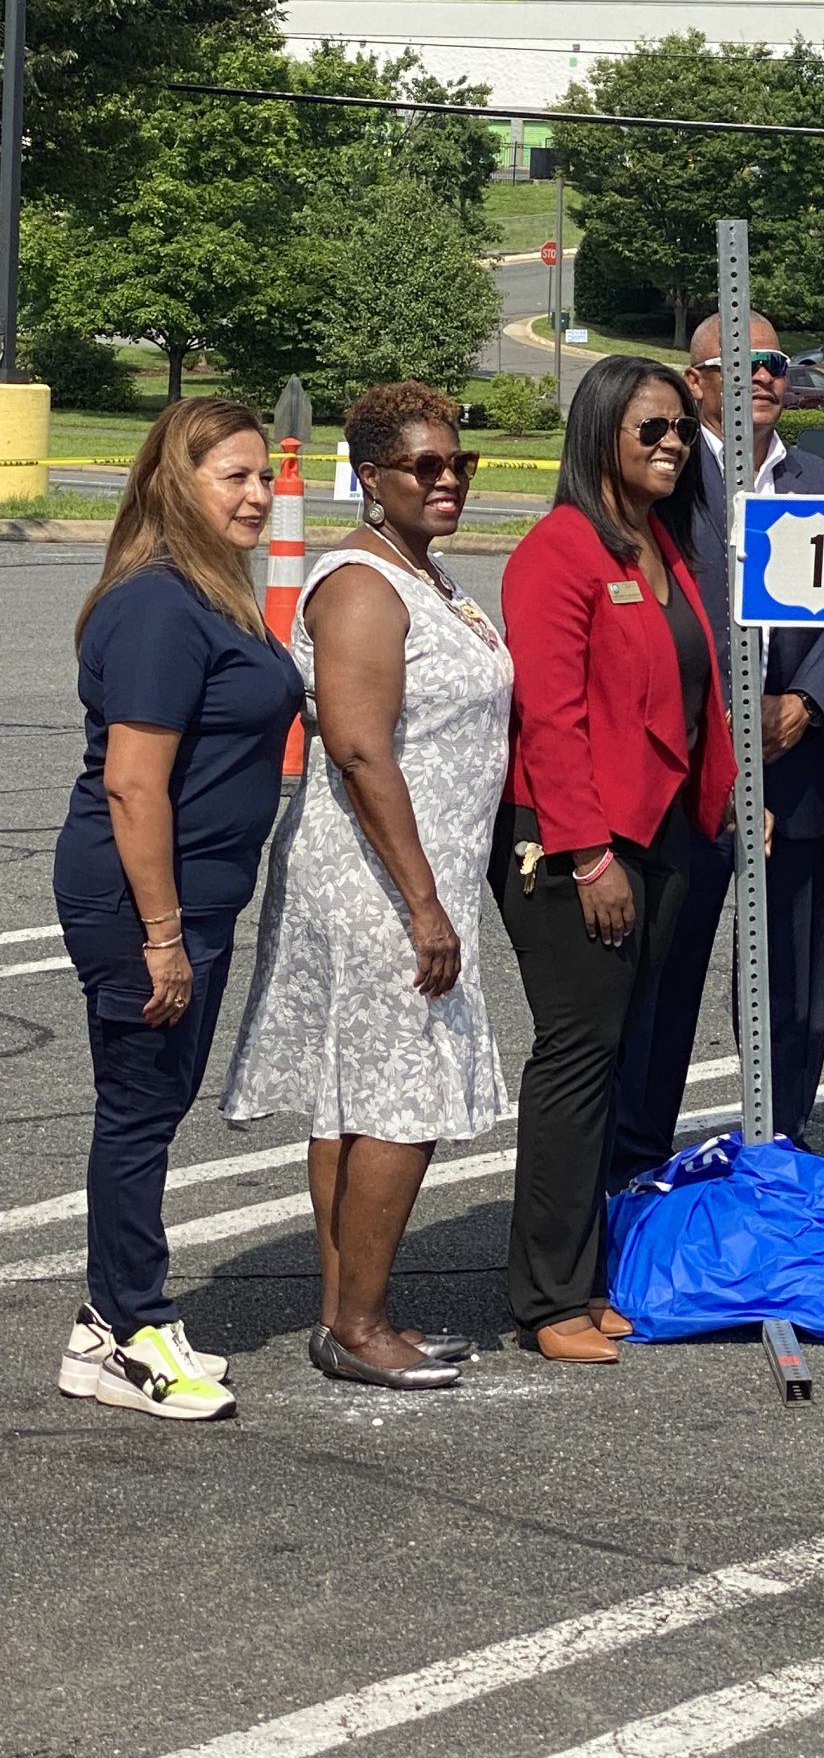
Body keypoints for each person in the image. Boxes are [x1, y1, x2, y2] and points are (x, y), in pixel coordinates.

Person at [223, 383, 512, 1392]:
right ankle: (361, 1321)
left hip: (416, 872)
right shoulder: (359, 584)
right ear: (372, 477)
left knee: (361, 1093)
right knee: (401, 1093)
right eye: (421, 467)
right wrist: (425, 902)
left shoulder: (421, 575)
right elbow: (354, 745)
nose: (446, 481)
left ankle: (347, 1315)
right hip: (380, 881)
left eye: (458, 465)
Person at [51, 401, 302, 1421]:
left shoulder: (213, 596)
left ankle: (102, 1320)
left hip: (190, 895)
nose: (255, 495)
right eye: (231, 477)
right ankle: (128, 1328)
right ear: (176, 485)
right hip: (139, 896)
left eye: (260, 478)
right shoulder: (159, 606)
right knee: (139, 1112)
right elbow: (133, 786)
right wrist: (162, 934)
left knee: (147, 1106)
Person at [494, 356, 734, 1361]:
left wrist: (727, 804)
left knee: (617, 1062)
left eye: (681, 429)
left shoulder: (662, 546)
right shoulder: (558, 550)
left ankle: (587, 1279)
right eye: (652, 430)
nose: (674, 444)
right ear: (600, 433)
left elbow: (694, 688)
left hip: (665, 832)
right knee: (577, 1062)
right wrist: (588, 855)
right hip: (576, 843)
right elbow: (550, 717)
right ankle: (548, 1298)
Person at [611, 313, 824, 1175]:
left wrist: (807, 701)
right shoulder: (669, 486)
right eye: (737, 364)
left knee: (789, 986)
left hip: (796, 769)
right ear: (697, 382)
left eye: (773, 363)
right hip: (690, 777)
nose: (760, 376)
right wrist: (719, 726)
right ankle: (637, 1151)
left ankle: (784, 1145)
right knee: (667, 975)